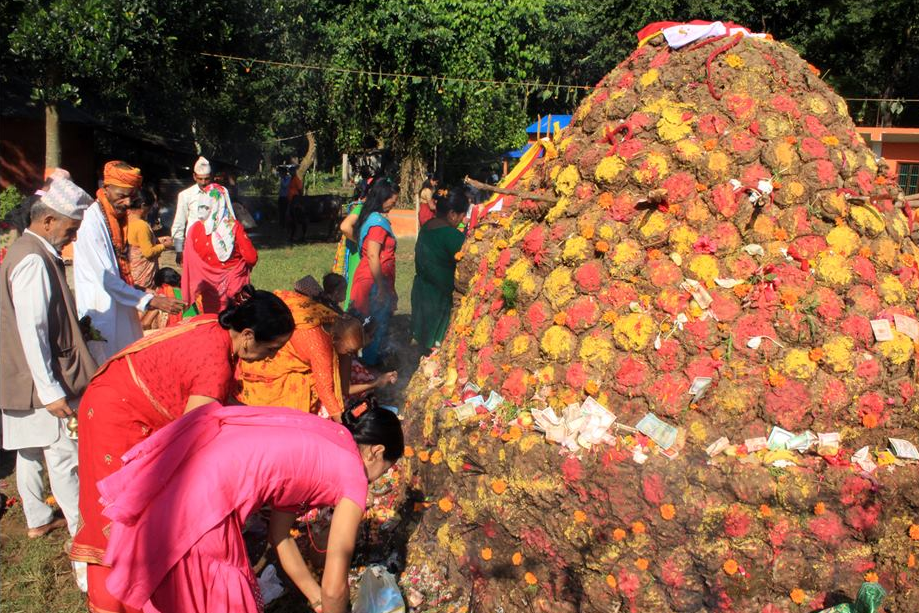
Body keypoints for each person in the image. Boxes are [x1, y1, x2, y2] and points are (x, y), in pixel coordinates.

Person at [70, 287, 294, 613]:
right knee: (122, 519)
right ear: (247, 335)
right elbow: (190, 446)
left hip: (116, 400)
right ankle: (117, 603)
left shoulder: (213, 328)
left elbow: (218, 410)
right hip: (118, 419)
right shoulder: (215, 366)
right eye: (272, 348)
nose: (272, 357)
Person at [97, 401, 403, 613]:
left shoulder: (332, 437)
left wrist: (315, 598)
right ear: (377, 452)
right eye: (385, 470)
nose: (378, 480)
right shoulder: (354, 477)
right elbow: (335, 586)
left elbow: (280, 536)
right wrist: (331, 600)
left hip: (189, 473)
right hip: (206, 506)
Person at [0, 172, 95, 551]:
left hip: (21, 377)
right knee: (64, 458)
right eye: (70, 231)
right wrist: (51, 390)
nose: (71, 239)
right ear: (48, 220)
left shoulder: (25, 250)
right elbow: (34, 330)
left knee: (28, 449)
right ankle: (81, 534)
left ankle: (38, 519)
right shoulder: (33, 260)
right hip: (41, 382)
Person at [238, 276, 396, 420]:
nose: (351, 355)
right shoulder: (320, 346)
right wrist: (342, 427)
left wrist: (376, 382)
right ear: (335, 340)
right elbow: (327, 391)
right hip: (270, 371)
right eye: (349, 351)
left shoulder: (336, 321)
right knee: (302, 404)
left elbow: (343, 387)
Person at [74, 161, 183, 363]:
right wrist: (149, 300)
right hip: (101, 306)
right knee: (105, 364)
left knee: (128, 358)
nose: (126, 202)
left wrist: (140, 290)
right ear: (105, 189)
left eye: (130, 196)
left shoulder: (118, 219)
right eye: (120, 195)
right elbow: (106, 278)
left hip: (123, 300)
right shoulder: (91, 222)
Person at [181, 183, 258, 313]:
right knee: (236, 323)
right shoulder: (234, 228)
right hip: (234, 289)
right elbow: (251, 258)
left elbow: (190, 260)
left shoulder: (194, 230)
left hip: (209, 291)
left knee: (212, 321)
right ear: (224, 201)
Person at [348, 179, 399, 366]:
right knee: (372, 326)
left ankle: (361, 367)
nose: (392, 206)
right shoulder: (377, 223)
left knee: (367, 324)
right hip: (372, 281)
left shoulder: (373, 217)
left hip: (372, 278)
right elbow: (372, 256)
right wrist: (381, 287)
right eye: (391, 202)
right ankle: (367, 368)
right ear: (382, 199)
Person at [411, 188, 468, 350]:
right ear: (452, 214)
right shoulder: (451, 235)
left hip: (422, 292)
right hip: (440, 298)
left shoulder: (428, 226)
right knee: (438, 347)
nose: (463, 220)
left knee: (424, 344)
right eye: (462, 216)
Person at [171, 156, 234, 265]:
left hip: (217, 243)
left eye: (206, 178)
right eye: (200, 179)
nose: (204, 182)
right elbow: (179, 223)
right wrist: (178, 250)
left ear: (211, 177)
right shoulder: (186, 195)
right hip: (195, 244)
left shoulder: (221, 192)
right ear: (194, 177)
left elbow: (230, 217)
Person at [125, 195, 171, 289]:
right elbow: (148, 252)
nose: (150, 211)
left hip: (129, 270)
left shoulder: (126, 219)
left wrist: (157, 240)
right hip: (142, 274)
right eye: (150, 208)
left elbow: (138, 243)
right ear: (143, 206)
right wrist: (164, 246)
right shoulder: (141, 225)